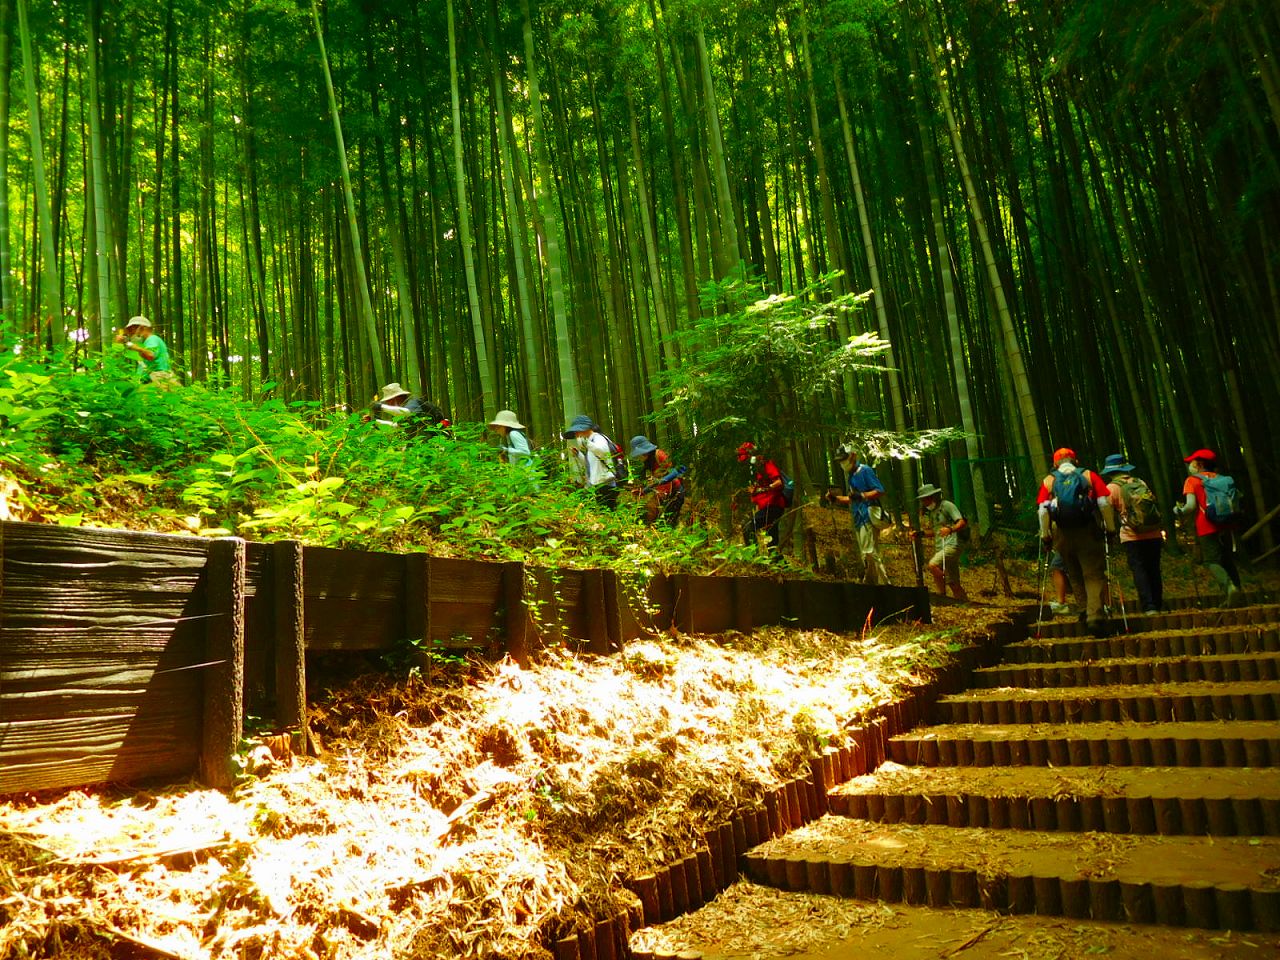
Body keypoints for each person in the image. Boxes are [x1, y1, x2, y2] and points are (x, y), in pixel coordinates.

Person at [1036, 447, 1116, 634]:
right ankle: (1094, 614)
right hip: (1087, 531)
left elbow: (1043, 510)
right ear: (1075, 461)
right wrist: (1110, 528)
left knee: (1074, 573)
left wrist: (1045, 534)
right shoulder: (1089, 475)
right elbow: (1104, 503)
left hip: (1063, 535)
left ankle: (1083, 610)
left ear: (1055, 463)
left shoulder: (1049, 481)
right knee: (1093, 574)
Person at [1174, 448, 1242, 607]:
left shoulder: (1192, 480)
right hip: (1227, 523)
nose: (1190, 466)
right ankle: (1236, 590)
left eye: (1191, 463)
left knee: (1211, 560)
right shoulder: (1223, 479)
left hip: (1206, 525)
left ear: (1199, 464)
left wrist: (1179, 511)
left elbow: (1190, 507)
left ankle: (1229, 587)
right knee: (1226, 560)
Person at [1101, 453, 1165, 615]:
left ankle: (1149, 606)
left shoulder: (1111, 488)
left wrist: (1109, 531)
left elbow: (1106, 512)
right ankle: (1158, 603)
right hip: (1153, 531)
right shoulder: (1140, 482)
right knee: (1154, 569)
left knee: (1139, 569)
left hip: (1131, 535)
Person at [826, 444, 889, 585]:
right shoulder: (851, 476)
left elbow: (879, 490)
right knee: (866, 553)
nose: (843, 463)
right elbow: (852, 498)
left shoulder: (864, 470)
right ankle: (873, 583)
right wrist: (836, 498)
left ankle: (885, 584)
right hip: (858, 518)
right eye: (840, 460)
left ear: (853, 456)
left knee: (871, 552)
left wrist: (862, 495)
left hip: (867, 516)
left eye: (844, 459)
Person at [913, 483, 967, 600]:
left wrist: (950, 529)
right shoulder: (932, 512)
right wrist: (920, 534)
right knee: (953, 582)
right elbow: (935, 531)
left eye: (924, 500)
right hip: (941, 547)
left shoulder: (947, 506)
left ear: (931, 497)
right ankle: (964, 603)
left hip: (952, 544)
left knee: (933, 564)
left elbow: (961, 522)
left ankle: (941, 595)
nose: (923, 503)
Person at [738, 441, 787, 554]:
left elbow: (778, 483)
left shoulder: (766, 464)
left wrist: (761, 490)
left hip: (774, 505)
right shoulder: (755, 470)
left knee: (748, 527)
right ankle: (777, 563)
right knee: (772, 538)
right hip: (767, 505)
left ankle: (754, 557)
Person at [563, 414, 619, 509]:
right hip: (598, 484)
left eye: (577, 432)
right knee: (604, 513)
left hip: (606, 483)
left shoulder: (598, 438)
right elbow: (589, 465)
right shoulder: (591, 442)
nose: (577, 436)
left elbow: (603, 452)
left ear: (583, 429)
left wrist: (587, 443)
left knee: (608, 512)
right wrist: (578, 454)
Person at [629, 435, 686, 526]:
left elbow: (676, 471)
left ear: (645, 452)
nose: (638, 457)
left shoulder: (659, 455)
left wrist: (662, 480)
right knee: (651, 514)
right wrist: (642, 491)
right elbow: (655, 484)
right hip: (662, 494)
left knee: (669, 522)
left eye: (638, 454)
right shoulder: (649, 463)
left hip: (675, 492)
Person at [114, 315, 175, 387]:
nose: (132, 333)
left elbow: (150, 355)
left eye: (133, 330)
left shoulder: (152, 339)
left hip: (157, 381)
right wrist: (123, 342)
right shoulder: (145, 343)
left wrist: (135, 347)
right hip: (149, 381)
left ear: (142, 328)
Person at [371, 382, 452, 436]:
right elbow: (396, 427)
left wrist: (381, 407)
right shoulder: (401, 412)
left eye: (389, 401)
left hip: (434, 440)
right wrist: (376, 422)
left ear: (397, 398)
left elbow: (407, 412)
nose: (388, 403)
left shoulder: (413, 403)